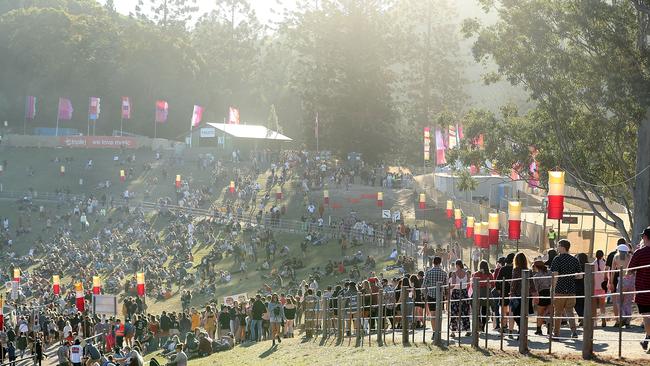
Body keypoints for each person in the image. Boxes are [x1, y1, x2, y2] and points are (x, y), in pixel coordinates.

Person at [550, 239, 582, 339]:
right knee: (570, 312)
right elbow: (580, 276)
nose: (557, 247)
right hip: (571, 290)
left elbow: (555, 275)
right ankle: (573, 331)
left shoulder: (557, 259)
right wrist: (571, 277)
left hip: (559, 289)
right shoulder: (574, 259)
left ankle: (556, 333)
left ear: (562, 247)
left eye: (558, 245)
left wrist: (552, 289)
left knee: (558, 313)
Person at [629, 226, 650, 351]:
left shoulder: (640, 253)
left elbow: (629, 271)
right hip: (644, 290)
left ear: (645, 237)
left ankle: (648, 340)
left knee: (647, 317)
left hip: (644, 290)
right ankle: (646, 341)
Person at [422, 256, 447, 340]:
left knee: (433, 315)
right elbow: (446, 286)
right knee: (439, 315)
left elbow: (424, 285)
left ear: (433, 262)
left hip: (431, 296)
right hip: (440, 296)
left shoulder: (428, 272)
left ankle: (434, 332)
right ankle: (439, 332)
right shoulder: (444, 273)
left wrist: (425, 294)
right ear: (440, 262)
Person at [610, 243, 633, 327]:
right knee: (628, 301)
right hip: (631, 280)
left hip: (622, 280)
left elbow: (612, 271)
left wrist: (611, 282)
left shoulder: (616, 257)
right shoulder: (630, 257)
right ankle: (628, 321)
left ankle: (622, 316)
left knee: (618, 301)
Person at [449, 260, 471, 337]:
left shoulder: (454, 273)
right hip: (464, 292)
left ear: (457, 265)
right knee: (465, 311)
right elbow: (468, 283)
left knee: (454, 311)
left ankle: (453, 331)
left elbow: (454, 284)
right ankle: (467, 329)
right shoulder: (467, 273)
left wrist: (448, 287)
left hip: (456, 293)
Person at [472, 260, 493, 332]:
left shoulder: (476, 274)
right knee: (484, 310)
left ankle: (479, 323)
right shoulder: (490, 275)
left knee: (476, 310)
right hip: (486, 293)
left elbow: (473, 285)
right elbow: (493, 285)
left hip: (478, 293)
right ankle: (483, 326)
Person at [532, 260, 552, 336]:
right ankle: (549, 330)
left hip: (542, 294)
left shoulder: (536, 277)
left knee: (540, 313)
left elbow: (536, 289)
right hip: (550, 293)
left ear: (537, 267)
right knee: (550, 313)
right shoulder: (550, 273)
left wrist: (535, 299)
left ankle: (539, 329)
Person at [592, 250, 608, 328]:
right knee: (602, 305)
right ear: (602, 255)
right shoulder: (605, 263)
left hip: (594, 287)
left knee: (594, 306)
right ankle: (603, 320)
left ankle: (594, 322)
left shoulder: (593, 264)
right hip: (602, 287)